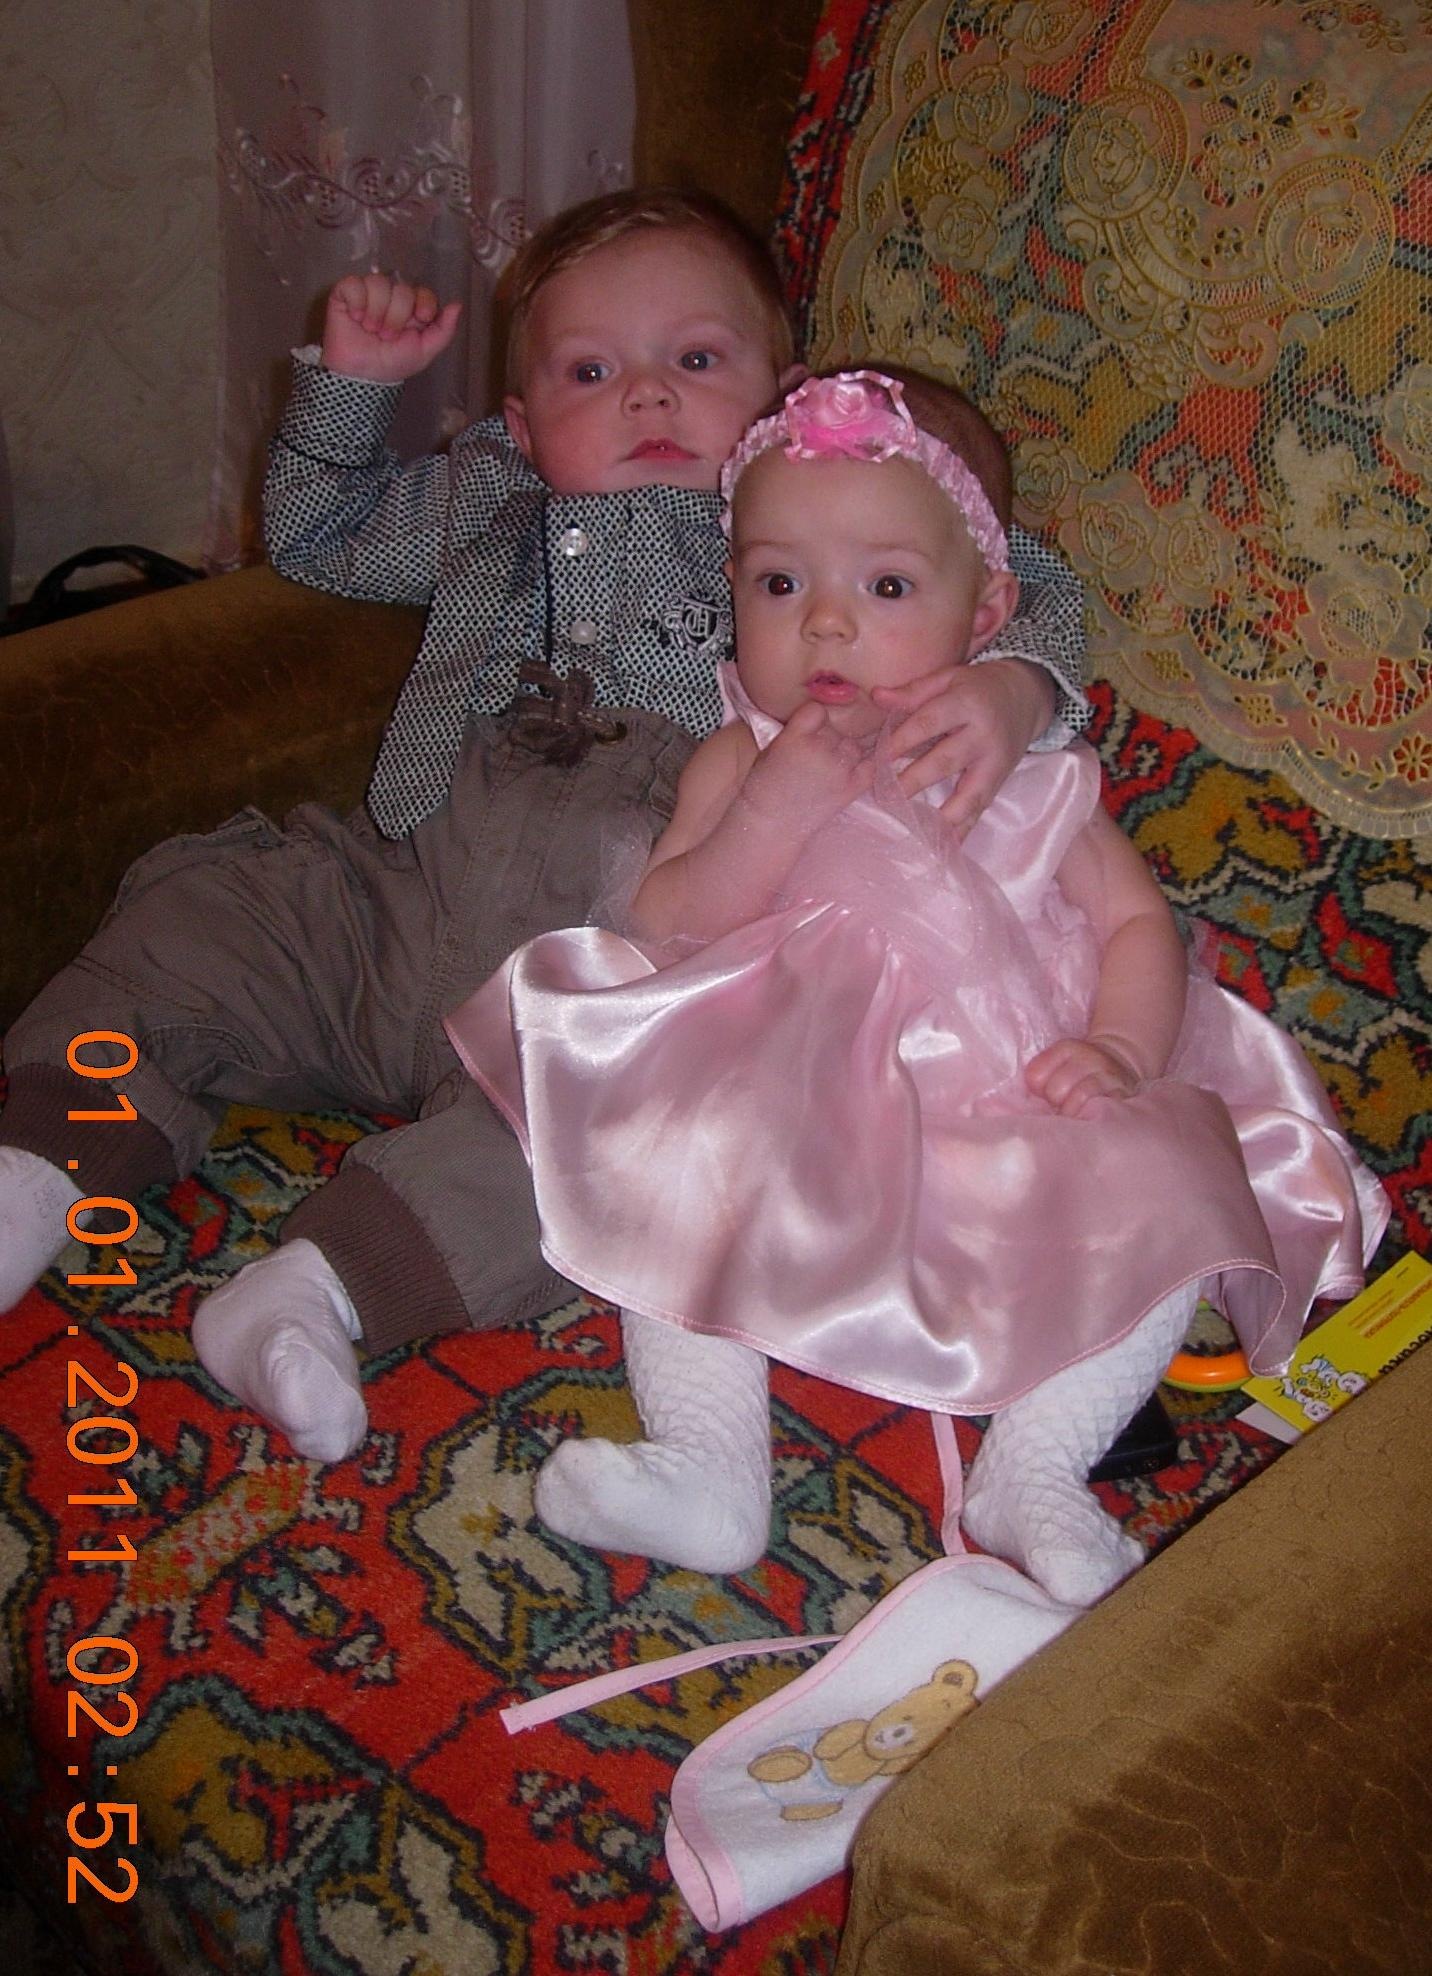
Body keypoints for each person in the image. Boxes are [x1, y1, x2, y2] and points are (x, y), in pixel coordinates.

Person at [0, 194, 1090, 1465]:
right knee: (194, 923)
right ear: (521, 426)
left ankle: (313, 1293)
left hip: (611, 976)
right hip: (400, 890)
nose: (647, 395)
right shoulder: (487, 495)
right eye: (590, 372)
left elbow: (1009, 568)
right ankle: (35, 1170)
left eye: (696, 359)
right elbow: (317, 533)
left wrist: (1014, 686)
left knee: (623, 1149)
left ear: (787, 397)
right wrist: (351, 389)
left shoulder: (803, 527)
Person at [445, 370, 1388, 1606]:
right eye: (780, 585)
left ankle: (1035, 1470)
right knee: (677, 1151)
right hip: (790, 1084)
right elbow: (664, 921)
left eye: (885, 588)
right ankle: (709, 1464)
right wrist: (769, 811)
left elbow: (1131, 920)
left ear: (984, 609)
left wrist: (1120, 1048)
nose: (826, 626)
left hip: (1015, 1083)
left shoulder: (1028, 768)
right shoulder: (739, 753)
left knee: (1171, 1195)